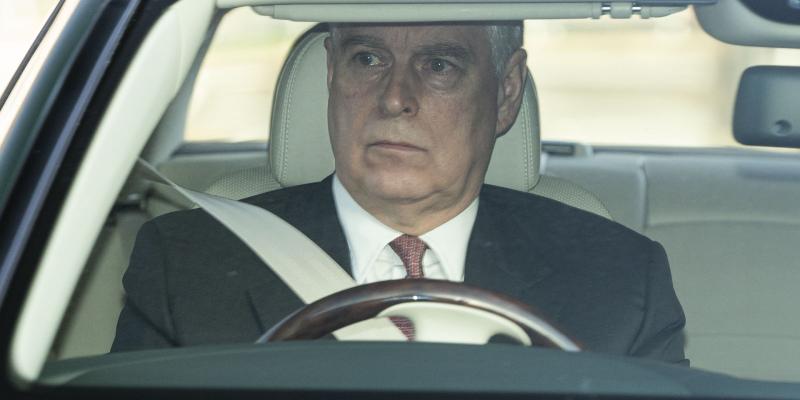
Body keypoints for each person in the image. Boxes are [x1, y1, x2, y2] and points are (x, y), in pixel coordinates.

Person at [112, 22, 687, 364]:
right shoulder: (188, 262)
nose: (395, 98)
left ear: (506, 92)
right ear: (333, 74)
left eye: (439, 65)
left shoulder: (617, 277)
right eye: (368, 59)